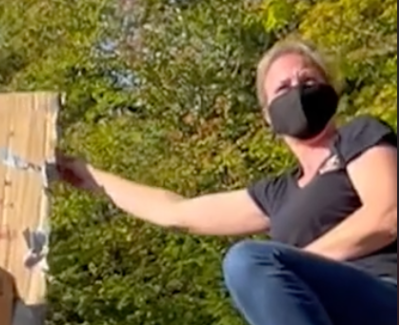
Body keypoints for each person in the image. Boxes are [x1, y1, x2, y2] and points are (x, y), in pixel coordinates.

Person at [56, 38, 397, 325]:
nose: (298, 91)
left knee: (248, 261)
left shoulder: (359, 136)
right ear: (268, 116)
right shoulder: (276, 194)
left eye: (308, 81)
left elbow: (387, 215)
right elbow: (177, 212)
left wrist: (294, 266)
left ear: (330, 91)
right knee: (250, 264)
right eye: (283, 87)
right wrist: (89, 176)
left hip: (383, 295)